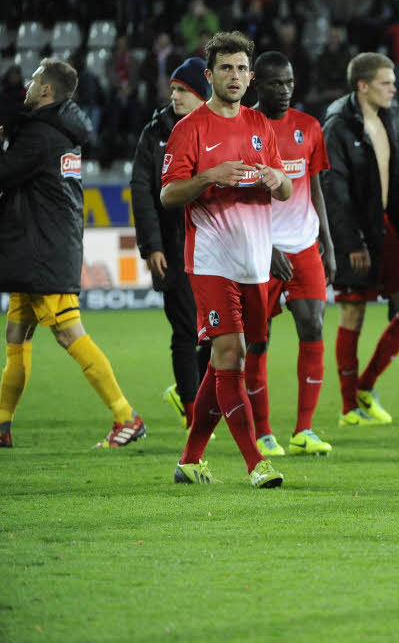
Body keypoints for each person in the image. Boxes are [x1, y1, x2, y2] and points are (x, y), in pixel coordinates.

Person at [161, 30, 292, 488]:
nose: (234, 76)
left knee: (224, 362)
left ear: (250, 76)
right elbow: (169, 193)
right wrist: (210, 175)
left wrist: (276, 178)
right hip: (212, 258)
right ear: (210, 74)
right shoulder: (190, 128)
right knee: (230, 354)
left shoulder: (260, 127)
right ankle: (256, 463)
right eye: (225, 68)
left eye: (241, 69)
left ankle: (191, 460)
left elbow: (288, 188)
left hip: (254, 261)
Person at [0, 58, 146, 448]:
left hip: (45, 252)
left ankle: (126, 417)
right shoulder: (57, 132)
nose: (27, 86)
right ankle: (1, 425)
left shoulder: (42, 136)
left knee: (68, 334)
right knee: (16, 336)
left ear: (46, 90)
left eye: (33, 81)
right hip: (36, 248)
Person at [321, 53, 399, 427]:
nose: (393, 88)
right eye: (386, 82)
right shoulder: (337, 126)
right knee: (352, 311)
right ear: (362, 85)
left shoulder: (388, 117)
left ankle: (365, 386)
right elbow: (334, 190)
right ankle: (349, 408)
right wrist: (349, 242)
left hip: (386, 225)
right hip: (354, 231)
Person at [242, 51, 335, 457]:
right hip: (259, 249)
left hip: (304, 245)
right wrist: (267, 244)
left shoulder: (309, 127)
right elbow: (240, 196)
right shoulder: (244, 128)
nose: (283, 90)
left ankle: (304, 430)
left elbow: (314, 187)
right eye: (275, 83)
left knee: (313, 327)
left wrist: (328, 244)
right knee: (257, 341)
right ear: (256, 85)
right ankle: (263, 432)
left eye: (289, 83)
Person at [130, 57, 213, 430]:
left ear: (200, 95)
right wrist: (152, 246)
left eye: (184, 91)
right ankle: (193, 412)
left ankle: (186, 389)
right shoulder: (155, 131)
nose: (175, 96)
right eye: (174, 89)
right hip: (174, 246)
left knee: (218, 332)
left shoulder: (219, 127)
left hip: (215, 244)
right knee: (184, 330)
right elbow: (142, 191)